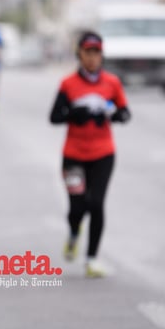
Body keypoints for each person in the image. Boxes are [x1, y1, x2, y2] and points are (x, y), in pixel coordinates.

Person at [49, 31, 131, 278]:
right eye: (88, 52)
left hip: (103, 155)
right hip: (73, 156)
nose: (93, 58)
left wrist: (114, 115)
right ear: (79, 54)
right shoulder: (68, 84)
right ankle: (74, 233)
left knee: (96, 204)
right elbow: (54, 117)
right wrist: (75, 114)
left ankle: (92, 259)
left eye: (97, 53)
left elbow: (125, 112)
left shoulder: (112, 83)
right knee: (77, 207)